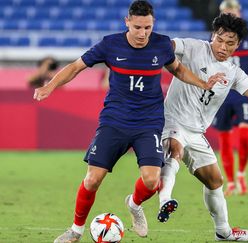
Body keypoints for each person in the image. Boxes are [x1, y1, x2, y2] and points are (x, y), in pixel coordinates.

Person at [33, 1, 222, 242]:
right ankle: (75, 230)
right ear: (127, 23)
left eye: (148, 27)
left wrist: (202, 82)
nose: (143, 33)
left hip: (149, 123)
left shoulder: (162, 44)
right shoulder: (110, 44)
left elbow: (178, 69)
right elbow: (76, 66)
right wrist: (51, 85)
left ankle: (134, 205)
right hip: (115, 120)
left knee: (153, 180)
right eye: (138, 27)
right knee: (92, 179)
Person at [156, 13, 248, 241]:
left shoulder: (233, 73)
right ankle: (165, 200)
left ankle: (223, 232)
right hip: (173, 120)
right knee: (174, 150)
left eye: (230, 43)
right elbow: (167, 44)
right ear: (213, 35)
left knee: (215, 181)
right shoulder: (192, 47)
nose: (223, 46)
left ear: (237, 45)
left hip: (197, 133)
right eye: (219, 39)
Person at [212, 0, 248, 196]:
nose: (230, 12)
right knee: (225, 139)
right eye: (226, 10)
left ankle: (241, 174)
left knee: (244, 136)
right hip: (221, 95)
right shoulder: (216, 37)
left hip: (244, 93)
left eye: (233, 9)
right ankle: (231, 181)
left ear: (239, 11)